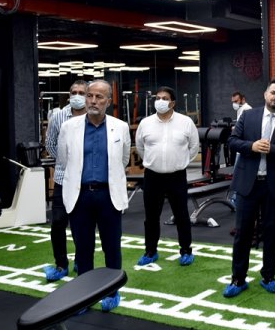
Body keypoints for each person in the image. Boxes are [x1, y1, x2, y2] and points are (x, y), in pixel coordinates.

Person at [56, 80, 131, 312]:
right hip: (80, 196)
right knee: (83, 248)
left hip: (109, 196)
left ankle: (112, 291)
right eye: (90, 96)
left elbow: (124, 160)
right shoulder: (69, 127)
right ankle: (84, 297)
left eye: (99, 97)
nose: (93, 101)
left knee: (112, 247)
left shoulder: (120, 127)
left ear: (109, 101)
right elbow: (64, 159)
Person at [224, 78, 275, 297]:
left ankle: (269, 276)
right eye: (273, 93)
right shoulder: (248, 116)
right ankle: (238, 279)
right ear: (266, 94)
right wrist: (252, 146)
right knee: (243, 233)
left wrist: (272, 149)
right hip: (248, 184)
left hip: (273, 185)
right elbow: (232, 141)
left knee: (271, 233)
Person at [135, 86, 200, 267]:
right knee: (151, 217)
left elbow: (194, 147)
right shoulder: (145, 123)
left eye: (164, 98)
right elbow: (140, 147)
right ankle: (150, 251)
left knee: (181, 215)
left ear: (172, 103)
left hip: (176, 176)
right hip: (152, 176)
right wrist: (153, 161)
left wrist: (179, 161)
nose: (160, 101)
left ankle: (186, 251)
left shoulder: (186, 122)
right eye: (158, 98)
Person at [42, 80, 88, 281]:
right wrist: (65, 161)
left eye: (81, 92)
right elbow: (50, 143)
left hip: (86, 179)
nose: (77, 96)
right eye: (73, 92)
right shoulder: (58, 116)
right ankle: (61, 265)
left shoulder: (93, 115)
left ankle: (81, 260)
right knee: (58, 222)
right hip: (63, 177)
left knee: (82, 223)